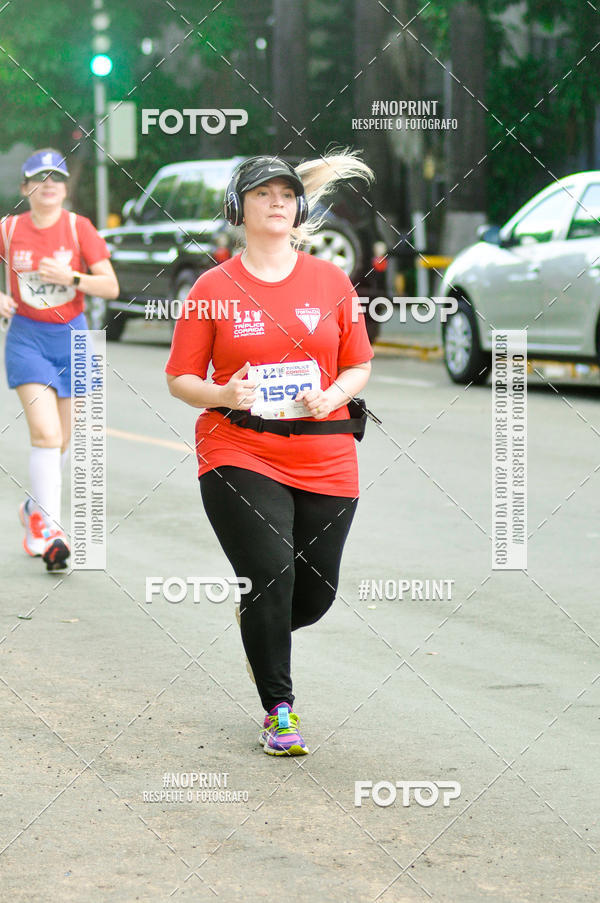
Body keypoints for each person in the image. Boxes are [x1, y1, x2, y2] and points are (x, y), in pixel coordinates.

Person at [166, 152, 374, 755]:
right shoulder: (212, 287)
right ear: (240, 208)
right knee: (271, 575)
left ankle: (259, 619)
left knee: (313, 595)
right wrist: (224, 392)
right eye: (263, 194)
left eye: (287, 193)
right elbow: (180, 378)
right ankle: (279, 711)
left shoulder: (331, 281)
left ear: (299, 207)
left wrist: (331, 394)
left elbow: (358, 363)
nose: (278, 201)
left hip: (326, 450)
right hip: (239, 450)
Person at [0, 148, 119, 571]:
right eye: (39, 178)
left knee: (68, 440)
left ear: (65, 188)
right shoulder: (9, 229)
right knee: (46, 435)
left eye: (56, 178)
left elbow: (110, 287)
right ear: (25, 188)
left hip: (76, 340)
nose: (48, 184)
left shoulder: (79, 227)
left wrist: (70, 276)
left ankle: (34, 506)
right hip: (26, 340)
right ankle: (48, 529)